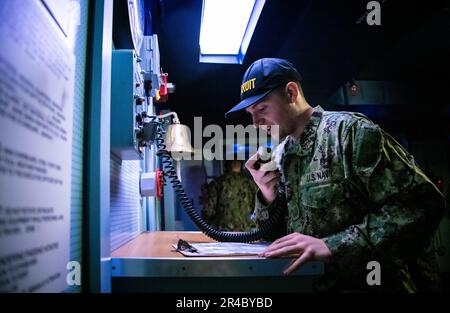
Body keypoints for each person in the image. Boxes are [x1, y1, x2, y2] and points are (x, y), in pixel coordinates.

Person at [224, 58, 445, 292]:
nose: (256, 123)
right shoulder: (281, 156)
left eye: (262, 108)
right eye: (251, 113)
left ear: (291, 92)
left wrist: (333, 246)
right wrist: (268, 198)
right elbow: (277, 241)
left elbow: (423, 205)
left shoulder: (349, 134)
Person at [200, 160, 257, 231]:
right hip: (245, 231)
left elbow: (208, 211)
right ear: (241, 166)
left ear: (226, 166)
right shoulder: (250, 184)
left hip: (222, 232)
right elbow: (257, 209)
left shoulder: (217, 183)